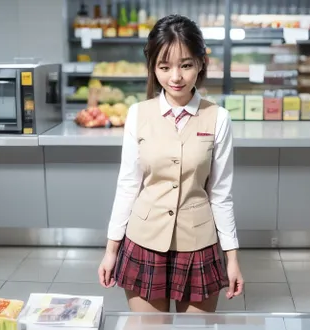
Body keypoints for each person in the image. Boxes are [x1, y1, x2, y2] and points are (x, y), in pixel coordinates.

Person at [97, 14, 243, 313]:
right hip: (144, 241)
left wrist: (232, 258)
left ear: (201, 63)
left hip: (199, 245)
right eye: (164, 67)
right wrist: (111, 250)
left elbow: (221, 193)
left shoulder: (219, 118)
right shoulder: (138, 114)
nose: (175, 77)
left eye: (185, 65)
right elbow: (128, 185)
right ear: (152, 67)